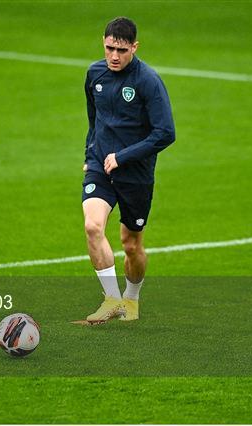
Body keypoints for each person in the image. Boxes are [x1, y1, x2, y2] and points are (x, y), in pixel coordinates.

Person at [81, 17, 175, 323]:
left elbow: (165, 133)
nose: (114, 56)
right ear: (103, 43)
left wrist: (122, 157)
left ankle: (131, 300)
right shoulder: (95, 74)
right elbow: (94, 121)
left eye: (121, 50)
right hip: (100, 167)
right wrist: (89, 154)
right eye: (109, 48)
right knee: (93, 226)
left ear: (134, 47)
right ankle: (111, 300)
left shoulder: (148, 81)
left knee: (131, 244)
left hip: (135, 174)